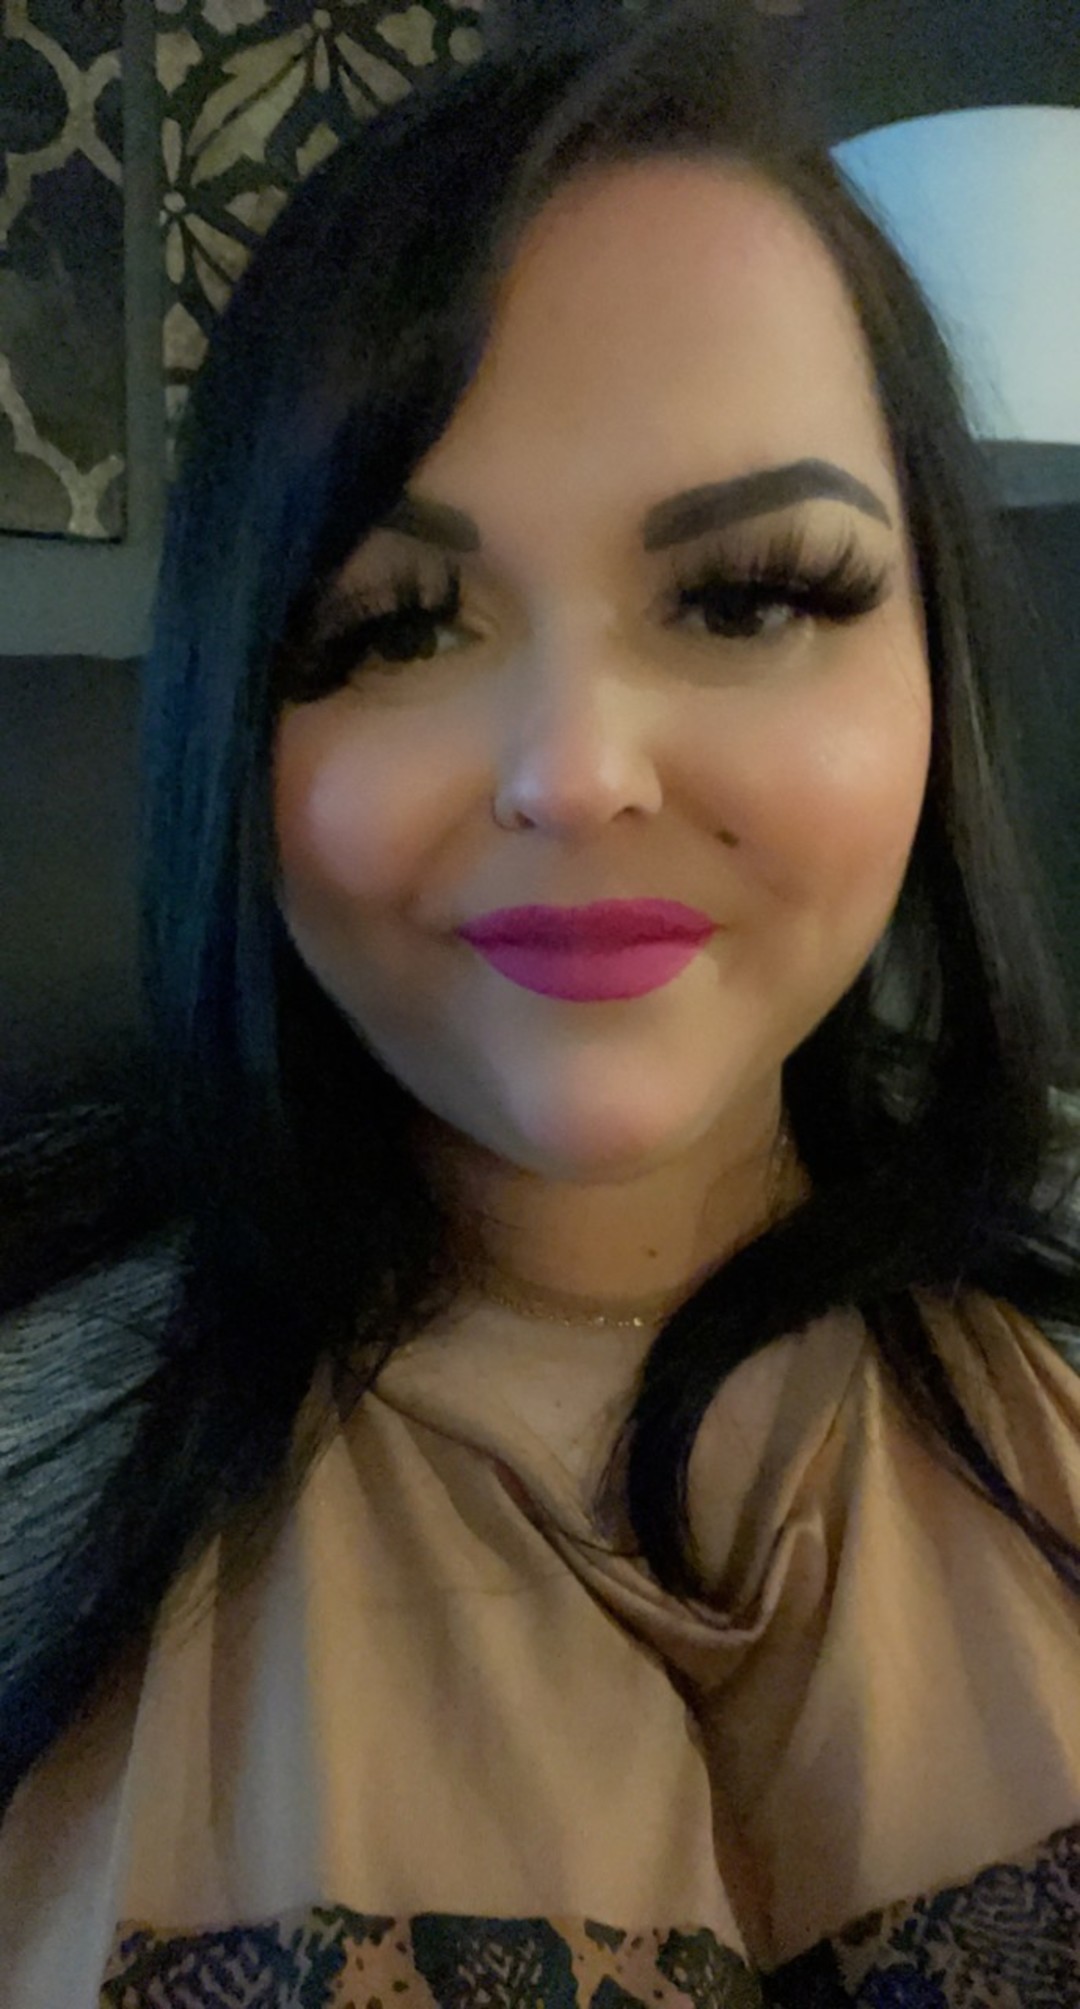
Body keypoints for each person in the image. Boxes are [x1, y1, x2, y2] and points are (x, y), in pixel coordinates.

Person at [2, 0, 1079, 1999]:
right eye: (395, 625)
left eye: (750, 594)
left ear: (936, 667)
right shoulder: (38, 1465)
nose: (575, 772)